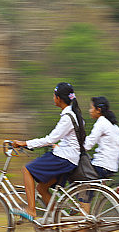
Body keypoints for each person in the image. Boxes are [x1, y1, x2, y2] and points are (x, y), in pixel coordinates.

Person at [10, 82, 85, 222]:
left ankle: (31, 210)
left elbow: (50, 139)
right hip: (70, 158)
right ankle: (60, 222)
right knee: (41, 188)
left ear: (59, 98)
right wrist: (59, 146)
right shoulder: (75, 114)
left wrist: (25, 143)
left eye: (54, 95)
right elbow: (72, 140)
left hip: (64, 159)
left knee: (26, 169)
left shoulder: (67, 117)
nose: (53, 98)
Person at [84, 96, 119, 180]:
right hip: (112, 166)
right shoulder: (113, 125)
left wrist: (72, 147)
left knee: (74, 169)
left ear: (98, 110)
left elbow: (87, 145)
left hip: (101, 165)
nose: (90, 110)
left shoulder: (101, 123)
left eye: (91, 108)